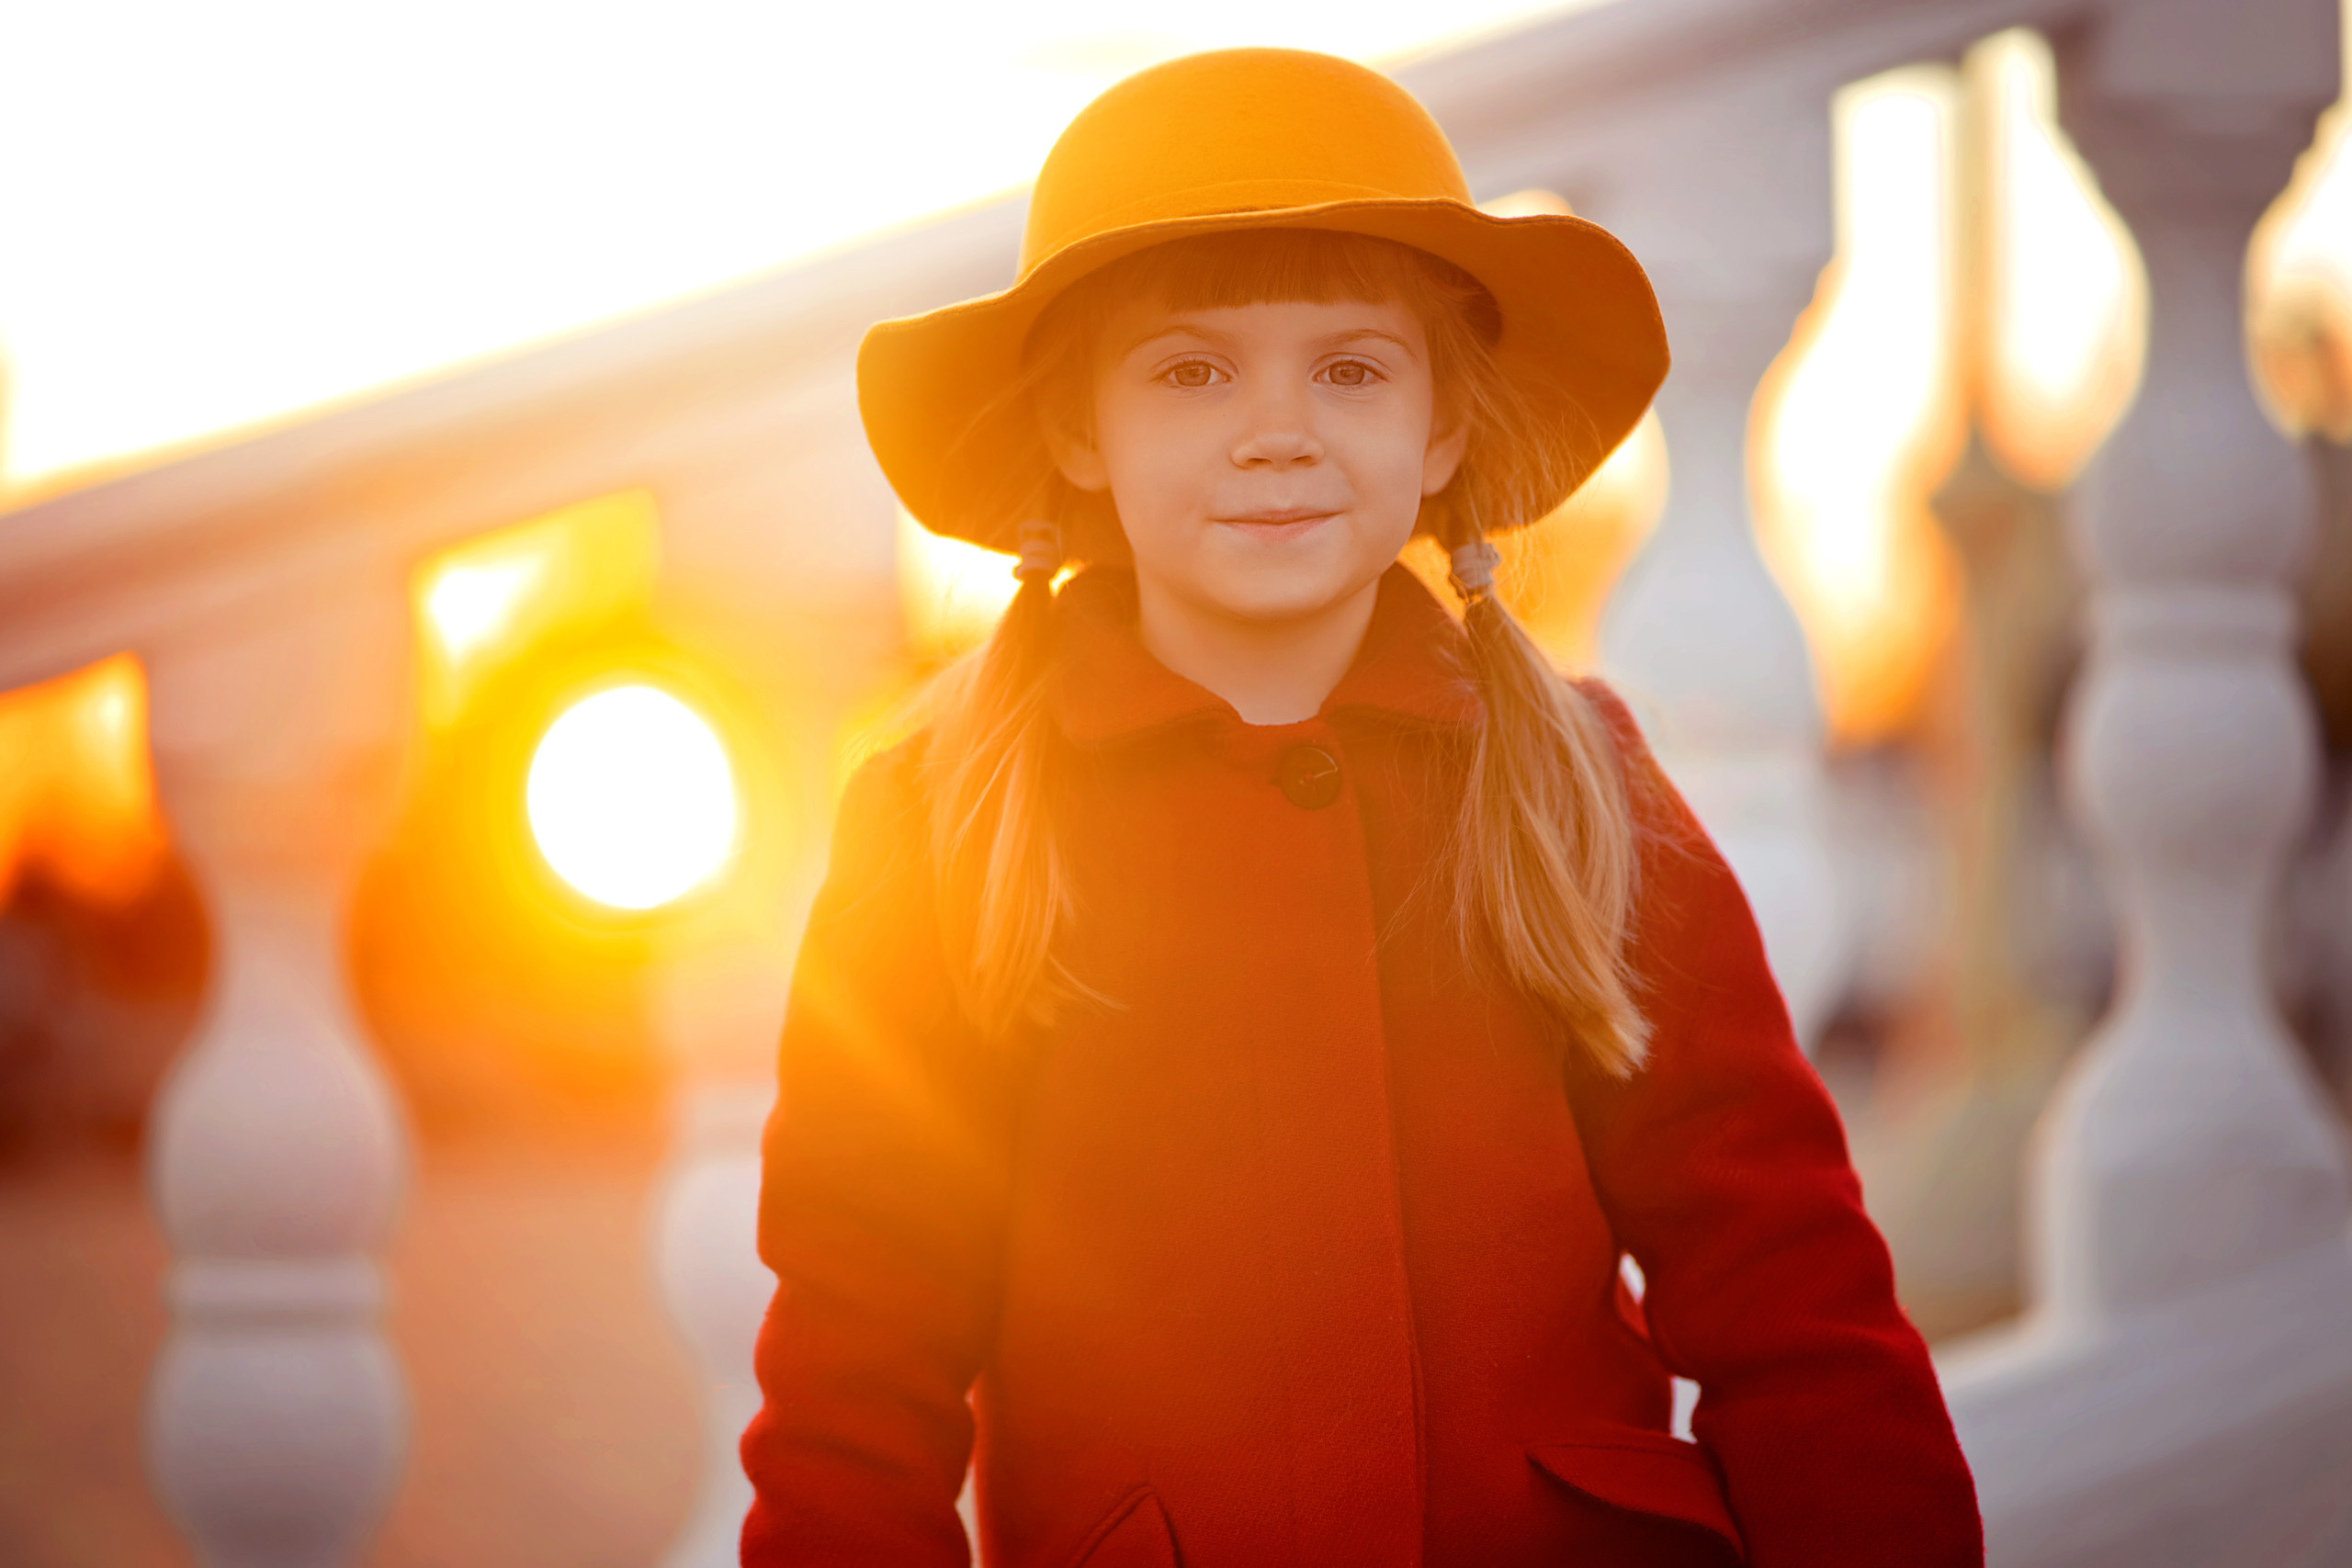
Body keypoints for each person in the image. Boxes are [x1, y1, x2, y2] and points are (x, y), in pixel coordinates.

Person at [741, 46, 1982, 1568]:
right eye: (1192, 370)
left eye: (1353, 368)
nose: (1280, 428)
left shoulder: (1579, 795)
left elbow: (1794, 1299)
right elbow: (855, 1388)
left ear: (1443, 428)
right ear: (1079, 432)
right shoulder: (945, 826)